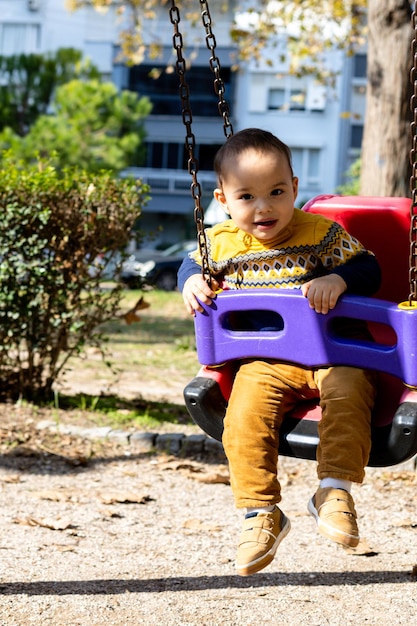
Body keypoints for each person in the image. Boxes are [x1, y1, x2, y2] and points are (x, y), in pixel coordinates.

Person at [177, 128, 381, 577]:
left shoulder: (321, 234)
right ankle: (260, 513)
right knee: (244, 415)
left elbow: (368, 267)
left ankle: (333, 491)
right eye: (246, 196)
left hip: (333, 354)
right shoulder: (222, 241)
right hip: (265, 361)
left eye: (275, 192)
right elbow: (191, 264)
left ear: (293, 189)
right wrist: (191, 280)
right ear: (224, 200)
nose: (263, 207)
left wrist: (339, 279)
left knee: (351, 394)